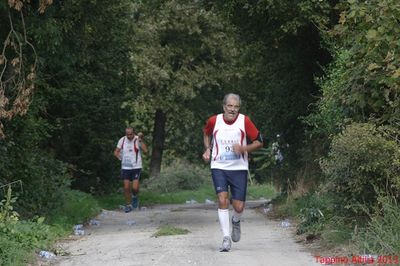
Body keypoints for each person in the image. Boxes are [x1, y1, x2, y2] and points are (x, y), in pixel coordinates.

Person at [202, 93, 263, 252]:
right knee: (222, 199)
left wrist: (244, 148)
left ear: (239, 108)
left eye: (236, 107)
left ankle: (236, 220)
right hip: (219, 166)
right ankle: (226, 238)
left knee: (239, 206)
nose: (233, 109)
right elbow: (206, 133)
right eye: (230, 106)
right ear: (224, 106)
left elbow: (259, 142)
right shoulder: (214, 120)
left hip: (239, 168)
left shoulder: (245, 121)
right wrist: (207, 149)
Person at [114, 127, 148, 213]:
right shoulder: (122, 140)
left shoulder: (137, 139)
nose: (129, 136)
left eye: (131, 134)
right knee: (126, 187)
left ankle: (135, 197)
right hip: (125, 167)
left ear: (134, 133)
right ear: (126, 134)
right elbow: (116, 152)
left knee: (135, 188)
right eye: (127, 134)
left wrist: (140, 140)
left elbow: (145, 151)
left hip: (136, 166)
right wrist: (119, 157)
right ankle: (128, 205)